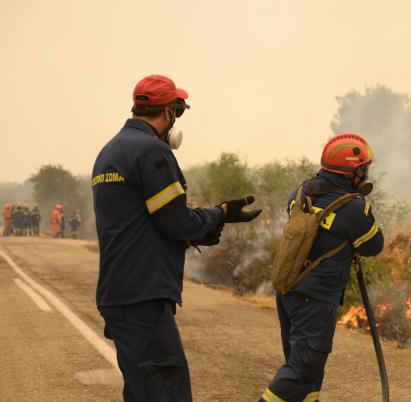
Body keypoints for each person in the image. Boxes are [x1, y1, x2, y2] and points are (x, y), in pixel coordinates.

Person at [92, 74, 262, 402]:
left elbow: (138, 223)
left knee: (142, 390)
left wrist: (198, 230)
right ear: (171, 113)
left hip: (118, 292)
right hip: (144, 294)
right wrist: (220, 214)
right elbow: (176, 221)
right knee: (167, 389)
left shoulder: (109, 152)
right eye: (177, 110)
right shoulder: (153, 152)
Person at [260, 133, 384, 402]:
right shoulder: (353, 207)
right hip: (315, 299)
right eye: (363, 169)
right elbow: (374, 246)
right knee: (301, 372)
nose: (365, 174)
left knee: (307, 372)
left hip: (289, 290)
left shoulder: (301, 191)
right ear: (352, 170)